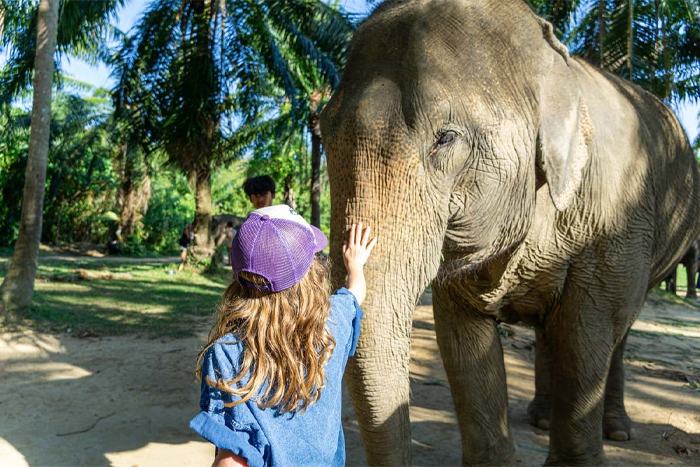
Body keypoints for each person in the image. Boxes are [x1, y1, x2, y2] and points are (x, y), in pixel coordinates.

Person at [190, 205, 376, 467]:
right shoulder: (332, 327)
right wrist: (355, 264)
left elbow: (231, 459)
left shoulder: (226, 353)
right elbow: (355, 292)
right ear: (311, 274)